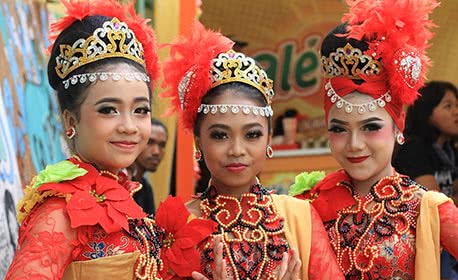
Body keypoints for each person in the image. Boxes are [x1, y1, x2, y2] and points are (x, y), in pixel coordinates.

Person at [5, 1, 212, 279]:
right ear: (70, 121)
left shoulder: (128, 198)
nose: (129, 126)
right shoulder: (61, 211)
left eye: (140, 110)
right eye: (108, 110)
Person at [161, 22, 344, 280]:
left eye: (252, 135)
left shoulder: (299, 216)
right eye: (220, 135)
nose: (237, 150)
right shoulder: (177, 224)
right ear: (199, 142)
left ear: (268, 138)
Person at [291, 0, 458, 279]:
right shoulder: (307, 207)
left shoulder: (426, 207)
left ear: (397, 127)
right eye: (340, 129)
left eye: (370, 127)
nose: (355, 144)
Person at [393, 81, 458, 279]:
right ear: (427, 112)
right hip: (424, 242)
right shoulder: (415, 150)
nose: (456, 112)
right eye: (448, 106)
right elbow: (434, 205)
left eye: (457, 105)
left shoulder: (450, 151)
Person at [131, 118, 168, 215]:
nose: (156, 152)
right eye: (150, 142)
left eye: (162, 145)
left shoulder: (146, 188)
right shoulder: (119, 182)